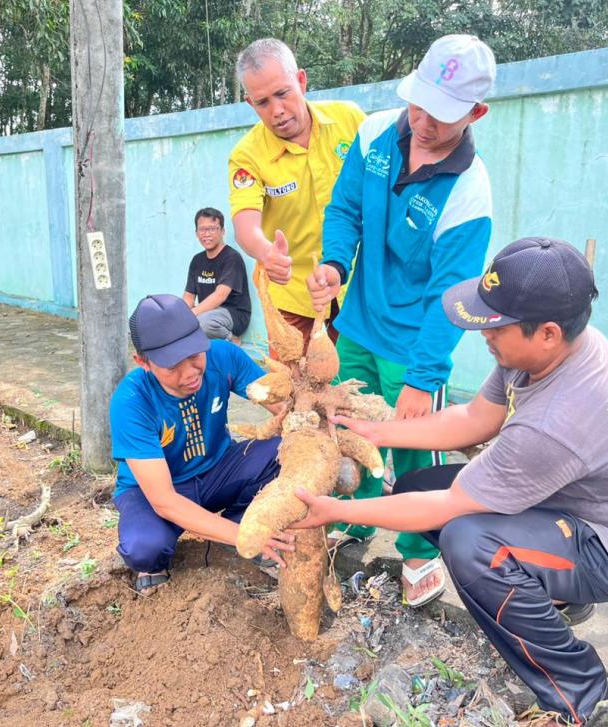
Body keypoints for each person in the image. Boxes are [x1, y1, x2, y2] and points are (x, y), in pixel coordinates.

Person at [294, 237, 608, 724]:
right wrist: (378, 429)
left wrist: (338, 511)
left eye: (497, 324)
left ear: (548, 333)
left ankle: (585, 695)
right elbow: (476, 417)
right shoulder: (543, 354)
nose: (484, 333)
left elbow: (452, 505)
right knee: (418, 486)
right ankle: (556, 595)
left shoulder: (559, 420)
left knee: (472, 545)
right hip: (565, 504)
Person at [306, 35, 496, 606]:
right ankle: (359, 521)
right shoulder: (375, 134)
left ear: (475, 113)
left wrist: (421, 378)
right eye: (418, 104)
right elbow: (344, 210)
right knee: (351, 429)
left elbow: (452, 295)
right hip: (359, 325)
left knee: (415, 448)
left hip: (415, 342)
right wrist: (336, 265)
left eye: (441, 115)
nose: (423, 121)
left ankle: (420, 553)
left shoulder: (469, 191)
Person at [109, 294, 293, 595]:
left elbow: (285, 407)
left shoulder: (223, 357)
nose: (191, 373)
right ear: (143, 362)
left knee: (284, 450)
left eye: (195, 355)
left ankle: (239, 520)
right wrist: (244, 536)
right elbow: (164, 499)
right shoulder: (131, 402)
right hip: (160, 490)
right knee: (144, 548)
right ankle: (235, 534)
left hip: (219, 471)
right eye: (172, 366)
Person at [229, 38, 366, 349]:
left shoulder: (351, 120)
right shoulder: (247, 155)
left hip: (356, 287)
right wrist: (267, 253)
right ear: (251, 103)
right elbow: (245, 225)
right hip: (292, 297)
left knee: (354, 387)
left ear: (301, 81)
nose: (277, 110)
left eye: (282, 93)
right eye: (263, 102)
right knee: (293, 388)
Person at [183, 207, 252, 341]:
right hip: (207, 312)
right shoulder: (197, 260)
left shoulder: (232, 258)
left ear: (222, 231)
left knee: (202, 324)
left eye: (212, 229)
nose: (207, 234)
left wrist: (191, 315)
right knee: (175, 319)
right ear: (196, 233)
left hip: (234, 314)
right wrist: (180, 315)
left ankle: (232, 339)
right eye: (202, 229)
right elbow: (189, 297)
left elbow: (220, 295)